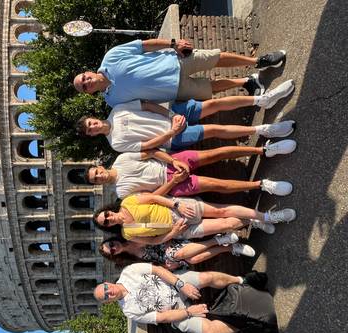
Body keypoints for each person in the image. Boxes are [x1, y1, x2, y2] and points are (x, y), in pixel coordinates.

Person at [73, 38, 288, 107]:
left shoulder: (111, 57)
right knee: (210, 88)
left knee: (215, 58)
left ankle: (258, 61)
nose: (87, 82)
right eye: (84, 86)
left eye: (84, 78)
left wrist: (173, 43)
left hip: (175, 61)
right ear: (88, 93)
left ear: (87, 71)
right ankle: (247, 82)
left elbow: (144, 45)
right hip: (174, 90)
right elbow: (144, 105)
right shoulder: (112, 101)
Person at [93, 263, 269, 333]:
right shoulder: (129, 311)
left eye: (106, 289)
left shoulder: (128, 273)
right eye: (105, 296)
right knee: (211, 332)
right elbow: (161, 318)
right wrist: (188, 312)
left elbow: (158, 270)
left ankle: (242, 280)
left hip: (175, 283)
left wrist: (181, 284)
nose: (109, 292)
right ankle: (249, 321)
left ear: (107, 283)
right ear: (108, 303)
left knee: (206, 277)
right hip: (176, 311)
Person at [75, 94, 295, 153]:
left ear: (94, 119)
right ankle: (264, 130)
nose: (93, 127)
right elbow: (148, 145)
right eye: (90, 130)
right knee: (214, 130)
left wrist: (171, 116)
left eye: (91, 123)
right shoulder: (115, 144)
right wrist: (172, 131)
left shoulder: (117, 110)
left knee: (214, 104)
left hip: (172, 113)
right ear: (92, 135)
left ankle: (262, 100)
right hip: (173, 137)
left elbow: (147, 105)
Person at [86, 147, 295, 198]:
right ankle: (262, 185)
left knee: (215, 154)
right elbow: (151, 197)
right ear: (99, 185)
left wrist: (174, 161)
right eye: (96, 180)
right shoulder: (121, 193)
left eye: (97, 172)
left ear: (101, 167)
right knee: (216, 185)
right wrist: (174, 181)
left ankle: (263, 150)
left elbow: (152, 152)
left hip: (170, 163)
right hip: (171, 185)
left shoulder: (121, 159)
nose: (99, 176)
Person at [93, 194, 296, 243]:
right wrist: (174, 233)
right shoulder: (127, 234)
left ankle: (268, 216)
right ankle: (253, 220)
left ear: (109, 209)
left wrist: (176, 204)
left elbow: (154, 197)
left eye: (107, 215)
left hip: (178, 210)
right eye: (107, 222)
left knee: (221, 212)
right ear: (109, 227)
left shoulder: (128, 202)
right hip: (181, 230)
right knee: (228, 224)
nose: (110, 218)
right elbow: (153, 241)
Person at [99, 234, 256, 270]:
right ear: (114, 256)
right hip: (168, 258)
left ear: (113, 239)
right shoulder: (131, 261)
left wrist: (167, 240)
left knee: (178, 255)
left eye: (111, 244)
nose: (114, 247)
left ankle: (222, 242)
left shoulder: (130, 235)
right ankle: (228, 246)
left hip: (171, 241)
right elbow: (154, 268)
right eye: (112, 251)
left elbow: (156, 234)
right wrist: (168, 267)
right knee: (192, 260)